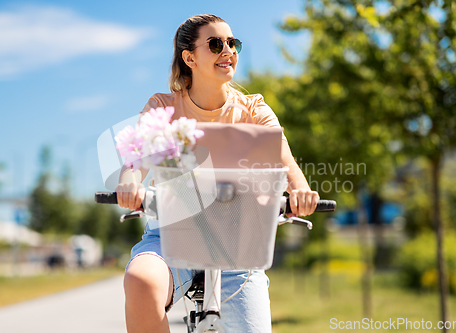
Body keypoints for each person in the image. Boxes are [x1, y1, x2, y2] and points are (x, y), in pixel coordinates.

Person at [116, 14, 319, 333]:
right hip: (171, 236)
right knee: (140, 281)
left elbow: (282, 156)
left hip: (236, 244)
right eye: (215, 44)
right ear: (190, 57)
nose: (228, 50)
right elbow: (139, 156)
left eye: (232, 43)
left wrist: (300, 190)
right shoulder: (163, 107)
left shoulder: (253, 109)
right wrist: (130, 184)